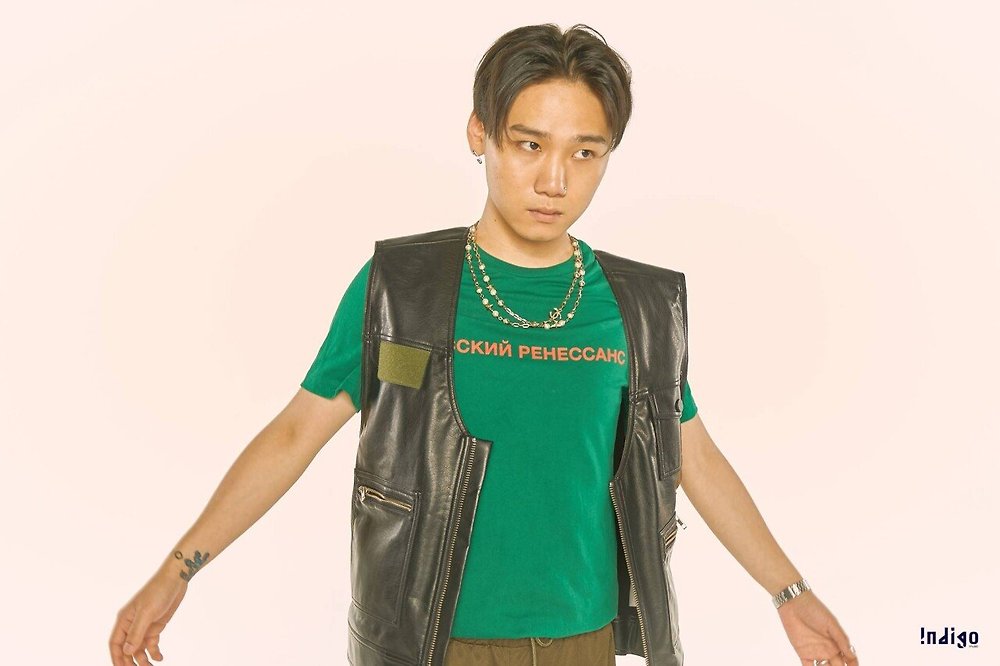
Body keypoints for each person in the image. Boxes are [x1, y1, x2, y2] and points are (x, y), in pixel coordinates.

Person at [109, 23, 859, 666]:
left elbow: (694, 454)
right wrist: (180, 569)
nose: (554, 179)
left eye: (585, 153)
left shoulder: (638, 307)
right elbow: (295, 432)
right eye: (529, 144)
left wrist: (790, 594)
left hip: (583, 642)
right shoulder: (402, 289)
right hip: (428, 643)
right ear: (480, 134)